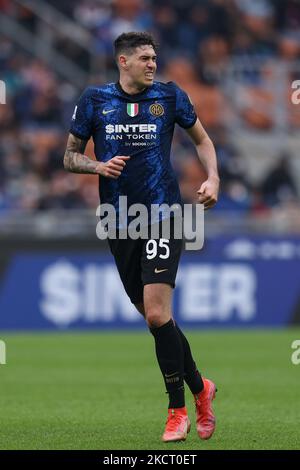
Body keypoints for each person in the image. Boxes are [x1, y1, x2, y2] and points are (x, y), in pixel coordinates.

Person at [64, 31, 220, 443]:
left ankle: (177, 412)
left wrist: (213, 177)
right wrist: (96, 168)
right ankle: (202, 388)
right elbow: (69, 156)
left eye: (155, 57)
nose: (153, 63)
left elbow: (202, 140)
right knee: (158, 321)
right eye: (146, 58)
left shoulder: (169, 97)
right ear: (124, 61)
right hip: (120, 221)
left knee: (155, 313)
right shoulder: (95, 100)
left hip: (165, 215)